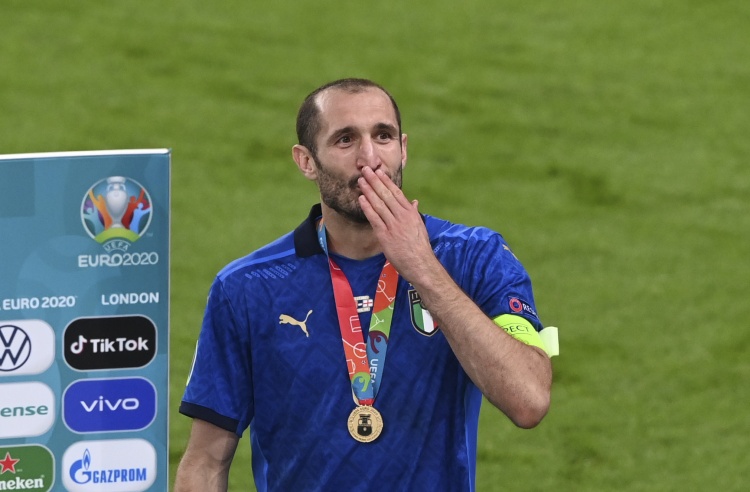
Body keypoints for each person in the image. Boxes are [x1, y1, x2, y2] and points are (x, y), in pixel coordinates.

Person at [174, 78, 554, 492]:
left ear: (403, 149)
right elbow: (205, 462)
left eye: (383, 136)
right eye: (345, 140)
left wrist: (423, 268)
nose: (369, 159)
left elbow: (529, 400)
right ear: (306, 161)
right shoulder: (247, 287)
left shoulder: (474, 257)